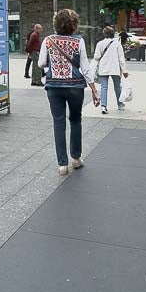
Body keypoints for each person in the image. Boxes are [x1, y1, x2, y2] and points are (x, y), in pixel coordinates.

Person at [42, 9, 99, 175]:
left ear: (56, 24)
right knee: (75, 120)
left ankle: (62, 164)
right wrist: (94, 89)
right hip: (75, 86)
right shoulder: (78, 41)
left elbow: (40, 63)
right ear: (74, 24)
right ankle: (76, 158)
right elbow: (85, 67)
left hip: (54, 87)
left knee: (58, 122)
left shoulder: (48, 40)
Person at [92, 25, 128, 113]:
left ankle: (103, 106)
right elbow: (121, 58)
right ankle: (120, 104)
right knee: (117, 86)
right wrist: (124, 71)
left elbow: (96, 57)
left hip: (103, 68)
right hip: (115, 69)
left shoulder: (99, 44)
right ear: (113, 34)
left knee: (104, 87)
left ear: (104, 34)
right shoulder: (117, 44)